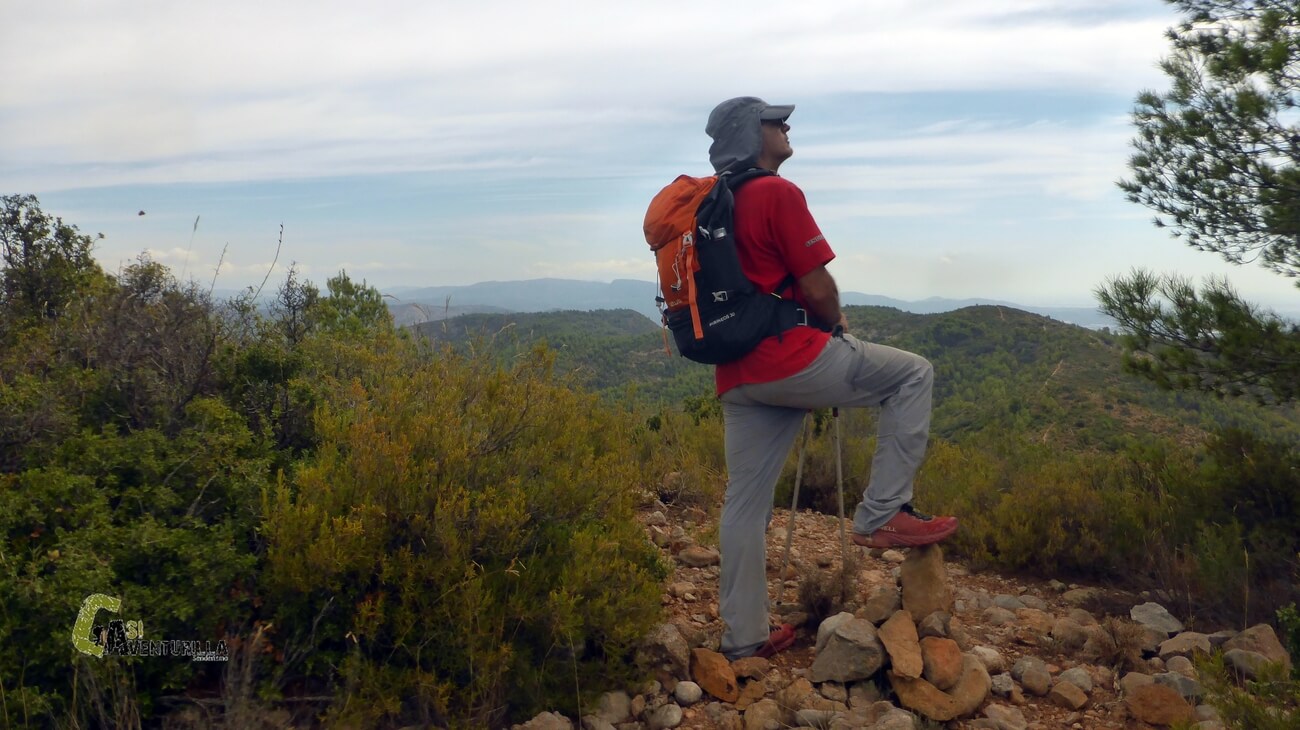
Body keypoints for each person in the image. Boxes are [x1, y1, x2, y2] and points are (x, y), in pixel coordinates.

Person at [705, 97, 959, 660]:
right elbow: (817, 285)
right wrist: (833, 323)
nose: (785, 126)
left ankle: (743, 638)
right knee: (913, 374)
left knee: (743, 504)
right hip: (792, 358)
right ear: (751, 133)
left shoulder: (713, 203)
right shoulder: (776, 192)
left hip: (737, 373)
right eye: (774, 121)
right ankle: (883, 512)